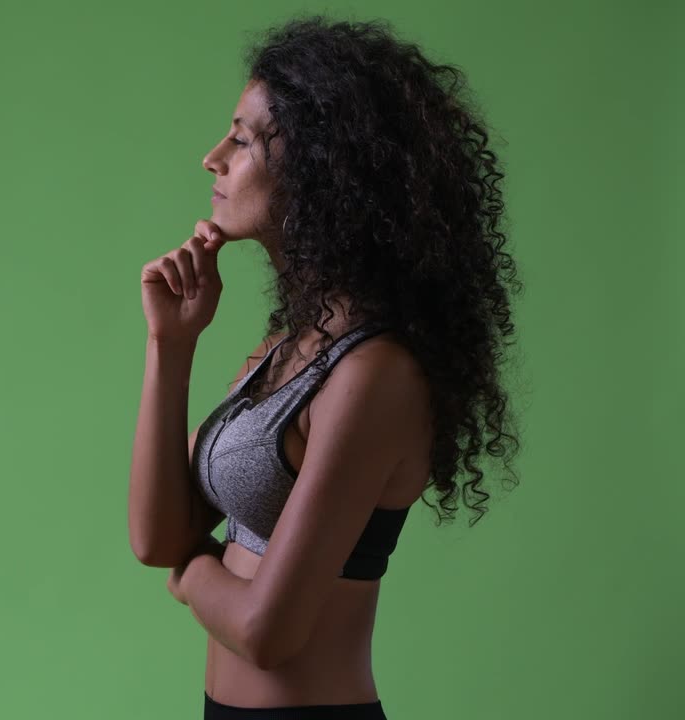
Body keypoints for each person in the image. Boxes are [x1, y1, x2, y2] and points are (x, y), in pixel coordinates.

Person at [126, 14, 523, 719]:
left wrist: (194, 572)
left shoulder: (373, 374)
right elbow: (157, 536)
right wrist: (172, 347)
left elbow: (266, 631)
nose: (213, 157)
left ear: (318, 168)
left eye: (243, 140)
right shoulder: (292, 343)